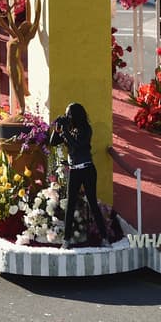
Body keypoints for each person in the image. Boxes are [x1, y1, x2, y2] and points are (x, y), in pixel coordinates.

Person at [50, 103, 108, 247]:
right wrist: (57, 129)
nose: (67, 117)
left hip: (87, 170)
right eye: (66, 114)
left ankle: (105, 237)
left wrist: (65, 131)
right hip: (74, 171)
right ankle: (66, 240)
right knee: (70, 205)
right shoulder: (69, 130)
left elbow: (77, 145)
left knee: (92, 203)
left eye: (69, 114)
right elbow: (53, 142)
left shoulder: (86, 129)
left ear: (76, 115)